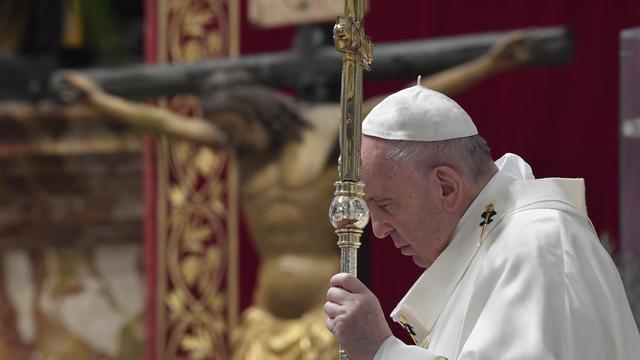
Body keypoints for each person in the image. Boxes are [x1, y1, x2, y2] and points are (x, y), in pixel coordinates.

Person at [62, 30, 536, 359]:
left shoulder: (328, 128)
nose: (231, 141)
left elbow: (408, 110)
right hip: (265, 313)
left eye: (237, 128)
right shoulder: (243, 147)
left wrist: (490, 62)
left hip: (318, 310)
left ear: (259, 111)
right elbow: (165, 124)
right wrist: (99, 100)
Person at [323, 85, 640, 359]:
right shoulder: (498, 245)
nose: (378, 229)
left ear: (446, 186)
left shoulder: (535, 245)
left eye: (385, 205)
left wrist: (383, 352)